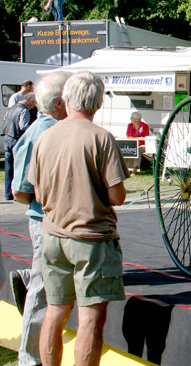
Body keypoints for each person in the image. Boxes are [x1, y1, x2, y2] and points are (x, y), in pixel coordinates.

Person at [28, 71, 129, 366]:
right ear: (97, 103)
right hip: (91, 241)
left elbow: (36, 193)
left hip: (53, 237)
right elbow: (118, 196)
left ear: (67, 99)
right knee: (89, 320)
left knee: (55, 311)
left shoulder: (45, 136)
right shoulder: (102, 139)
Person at [9, 71, 70, 366]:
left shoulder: (54, 128)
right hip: (44, 222)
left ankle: (26, 277)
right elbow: (19, 190)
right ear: (60, 102)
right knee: (43, 290)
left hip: (55, 222)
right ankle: (29, 359)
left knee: (51, 281)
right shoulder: (41, 132)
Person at [3, 92, 37, 201]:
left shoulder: (12, 108)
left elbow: (5, 121)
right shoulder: (24, 110)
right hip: (16, 139)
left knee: (8, 168)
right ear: (30, 101)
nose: (34, 106)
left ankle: (7, 193)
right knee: (18, 167)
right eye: (34, 103)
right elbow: (23, 126)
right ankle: (16, 191)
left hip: (7, 138)